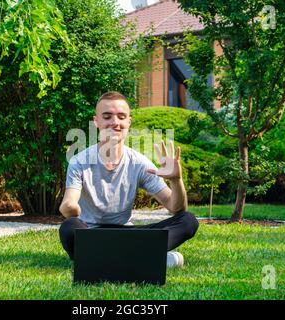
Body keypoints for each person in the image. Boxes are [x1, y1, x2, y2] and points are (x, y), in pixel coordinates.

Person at [59, 91, 199, 268]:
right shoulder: (79, 162)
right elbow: (69, 203)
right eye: (107, 116)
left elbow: (176, 208)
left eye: (121, 117)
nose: (115, 122)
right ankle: (145, 256)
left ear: (128, 122)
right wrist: (70, 208)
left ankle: (101, 257)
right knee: (69, 228)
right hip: (90, 233)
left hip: (127, 233)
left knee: (188, 220)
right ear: (96, 121)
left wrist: (176, 180)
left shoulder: (139, 163)